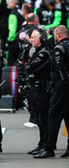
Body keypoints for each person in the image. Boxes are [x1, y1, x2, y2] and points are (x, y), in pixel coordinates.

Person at [34, 25, 69, 158]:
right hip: (65, 87)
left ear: (58, 35)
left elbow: (59, 68)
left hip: (62, 88)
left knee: (53, 116)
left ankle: (49, 148)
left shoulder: (59, 48)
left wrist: (62, 82)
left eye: (54, 35)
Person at [25, 28, 51, 156]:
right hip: (36, 88)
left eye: (33, 37)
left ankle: (47, 145)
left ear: (40, 39)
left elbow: (30, 67)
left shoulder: (45, 52)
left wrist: (28, 68)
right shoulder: (36, 51)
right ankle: (42, 144)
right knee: (39, 118)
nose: (31, 40)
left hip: (43, 89)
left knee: (43, 118)